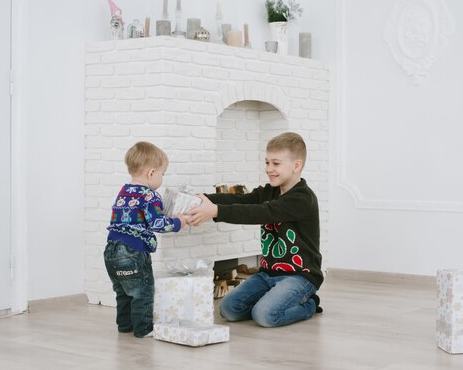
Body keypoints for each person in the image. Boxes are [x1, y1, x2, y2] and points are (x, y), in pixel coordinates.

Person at [187, 132, 323, 327]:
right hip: (267, 273)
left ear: (297, 165)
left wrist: (215, 211)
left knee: (265, 316)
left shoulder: (302, 199)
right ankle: (273, 299)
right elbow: (242, 200)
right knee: (229, 310)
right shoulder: (269, 191)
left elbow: (260, 212)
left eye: (276, 164)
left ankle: (309, 304)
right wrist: (204, 200)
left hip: (300, 275)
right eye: (267, 163)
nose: (269, 169)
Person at [103, 141, 186, 338]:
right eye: (162, 174)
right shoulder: (150, 195)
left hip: (111, 251)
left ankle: (125, 326)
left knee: (123, 292)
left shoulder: (124, 191)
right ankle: (144, 329)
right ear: (151, 173)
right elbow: (158, 224)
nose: (162, 178)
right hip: (132, 251)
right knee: (143, 292)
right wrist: (179, 222)